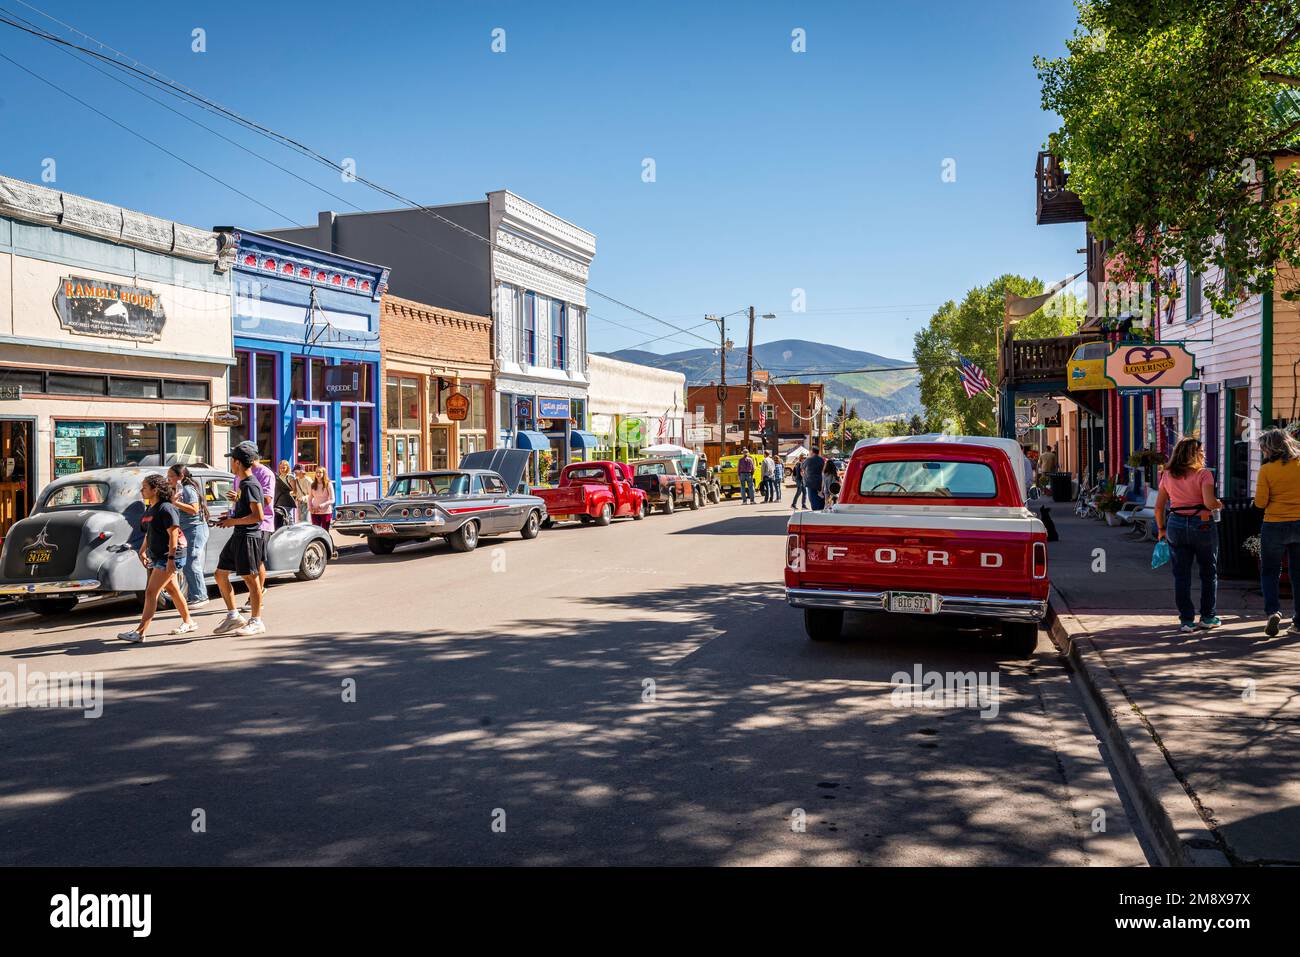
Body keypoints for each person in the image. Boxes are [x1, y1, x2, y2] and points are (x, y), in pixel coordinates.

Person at [1154, 436, 1224, 633]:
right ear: (1193, 453)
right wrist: (1219, 504)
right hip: (1201, 524)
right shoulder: (1204, 474)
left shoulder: (1167, 475)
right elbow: (1210, 503)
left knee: (1181, 574)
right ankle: (1208, 617)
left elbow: (1158, 508)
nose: (1203, 454)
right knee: (1208, 572)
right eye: (1200, 451)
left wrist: (1161, 529)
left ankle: (1186, 620)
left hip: (1175, 523)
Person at [117, 473, 196, 643]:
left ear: (155, 490)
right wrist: (142, 550)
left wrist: (171, 558)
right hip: (159, 554)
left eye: (145, 487)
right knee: (173, 590)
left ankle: (140, 632)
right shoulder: (150, 509)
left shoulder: (166, 508)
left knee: (151, 592)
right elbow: (149, 533)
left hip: (170, 555)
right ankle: (189, 621)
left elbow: (173, 534)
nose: (141, 490)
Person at [214, 445, 268, 637]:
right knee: (220, 574)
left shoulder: (250, 485)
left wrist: (232, 521)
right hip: (239, 534)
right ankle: (233, 616)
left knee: (251, 580)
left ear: (237, 462)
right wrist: (230, 516)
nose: (231, 463)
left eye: (232, 460)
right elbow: (246, 511)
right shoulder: (243, 484)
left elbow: (258, 516)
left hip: (249, 537)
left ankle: (256, 621)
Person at [1255, 428, 1300, 636]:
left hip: (1274, 523)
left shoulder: (1267, 470)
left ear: (1270, 448)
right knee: (1298, 574)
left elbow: (1261, 502)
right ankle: (1298, 622)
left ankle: (1273, 611)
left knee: (1270, 571)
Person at [226, 441, 274, 614]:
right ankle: (252, 599)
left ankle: (256, 598)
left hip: (262, 523)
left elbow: (266, 500)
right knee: (227, 570)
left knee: (256, 562)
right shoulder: (238, 476)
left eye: (234, 457)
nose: (232, 461)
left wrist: (244, 496)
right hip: (243, 522)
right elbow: (241, 499)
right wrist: (237, 500)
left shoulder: (263, 473)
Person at [168, 463, 209, 608]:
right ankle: (194, 595)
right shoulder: (179, 489)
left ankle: (200, 596)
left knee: (191, 560)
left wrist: (176, 503)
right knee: (188, 562)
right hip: (187, 530)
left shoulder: (188, 489)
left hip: (195, 529)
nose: (169, 479)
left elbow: (194, 509)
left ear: (181, 476)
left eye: (171, 476)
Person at [274, 460, 297, 529]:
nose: (282, 469)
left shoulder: (290, 477)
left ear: (287, 468)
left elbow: (295, 491)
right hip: (279, 500)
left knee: (289, 516)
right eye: (281, 468)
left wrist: (289, 493)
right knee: (281, 516)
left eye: (284, 467)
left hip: (287, 500)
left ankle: (293, 531)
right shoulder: (279, 476)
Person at [804, 446, 826, 511]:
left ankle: (815, 511)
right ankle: (821, 510)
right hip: (820, 481)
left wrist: (805, 476)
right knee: (820, 497)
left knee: (812, 498)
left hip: (811, 482)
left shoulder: (809, 459)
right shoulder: (822, 459)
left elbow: (802, 468)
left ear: (812, 451)